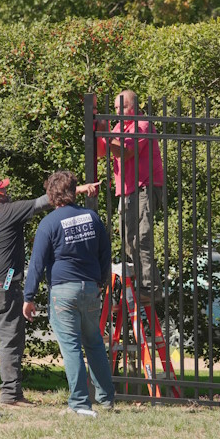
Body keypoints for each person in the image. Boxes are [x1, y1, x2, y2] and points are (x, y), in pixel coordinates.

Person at [0, 175, 99, 406]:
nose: (7, 192)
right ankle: (11, 394)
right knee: (10, 340)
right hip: (4, 284)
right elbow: (44, 202)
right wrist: (81, 189)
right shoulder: (8, 211)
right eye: (3, 190)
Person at [22, 170, 115, 416]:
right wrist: (101, 282)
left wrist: (28, 297)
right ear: (74, 192)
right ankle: (106, 400)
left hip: (63, 290)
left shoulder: (49, 223)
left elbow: (37, 263)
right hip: (90, 287)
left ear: (51, 196)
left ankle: (80, 404)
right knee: (94, 343)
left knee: (71, 347)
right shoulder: (92, 217)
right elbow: (105, 253)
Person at [96, 90, 164, 302]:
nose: (118, 112)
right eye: (116, 108)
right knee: (128, 240)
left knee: (142, 238)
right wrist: (98, 132)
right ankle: (142, 283)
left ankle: (150, 288)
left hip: (144, 187)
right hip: (127, 190)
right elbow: (102, 151)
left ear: (133, 107)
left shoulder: (142, 125)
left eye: (122, 107)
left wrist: (105, 135)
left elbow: (125, 152)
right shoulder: (119, 127)